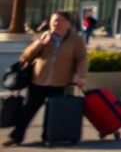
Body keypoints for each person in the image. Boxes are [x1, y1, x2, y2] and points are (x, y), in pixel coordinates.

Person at [4, 11, 87, 147]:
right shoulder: (43, 35)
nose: (55, 24)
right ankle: (16, 137)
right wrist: (40, 44)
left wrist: (80, 75)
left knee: (53, 112)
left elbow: (82, 59)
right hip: (38, 80)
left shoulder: (76, 39)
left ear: (67, 23)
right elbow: (25, 56)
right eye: (53, 20)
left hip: (59, 81)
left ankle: (48, 137)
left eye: (59, 21)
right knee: (28, 110)